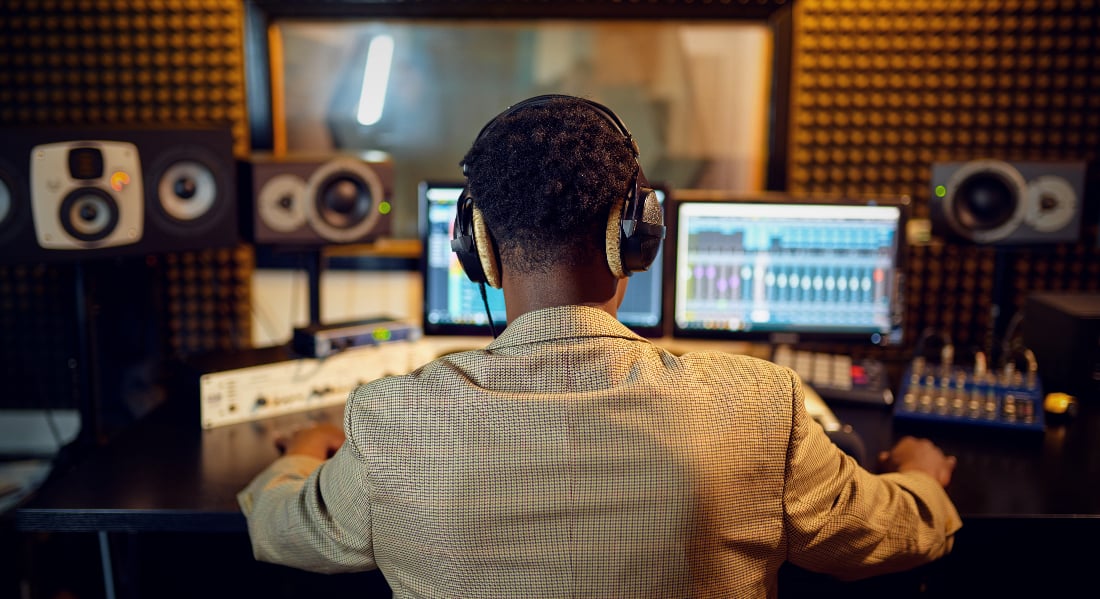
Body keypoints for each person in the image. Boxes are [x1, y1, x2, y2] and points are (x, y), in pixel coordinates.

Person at [238, 94, 961, 597]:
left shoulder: (391, 418)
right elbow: (894, 535)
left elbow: (280, 530)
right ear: (635, 237)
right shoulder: (757, 403)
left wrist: (304, 450)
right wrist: (923, 478)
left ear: (477, 246)